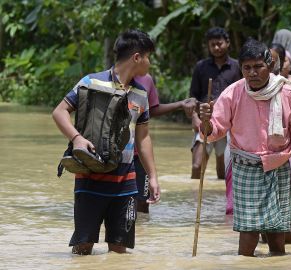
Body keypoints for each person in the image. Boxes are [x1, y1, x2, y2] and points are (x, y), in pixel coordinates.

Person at [198, 39, 291, 256]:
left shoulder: (286, 93)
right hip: (246, 168)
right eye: (247, 68)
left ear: (269, 65)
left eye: (258, 66)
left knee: (278, 234)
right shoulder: (233, 93)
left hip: (279, 166)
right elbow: (214, 131)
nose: (252, 73)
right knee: (248, 233)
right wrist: (204, 121)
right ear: (241, 69)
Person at [51, 29, 160, 255]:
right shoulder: (91, 82)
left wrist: (153, 177)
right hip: (91, 179)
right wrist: (77, 138)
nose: (150, 63)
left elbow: (144, 137)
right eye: (148, 57)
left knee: (119, 251)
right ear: (137, 58)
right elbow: (59, 112)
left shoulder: (141, 94)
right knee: (83, 248)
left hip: (127, 183)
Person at [134, 73, 196, 213]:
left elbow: (152, 109)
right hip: (118, 153)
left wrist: (180, 104)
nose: (148, 61)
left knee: (143, 202)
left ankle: (143, 233)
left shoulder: (147, 79)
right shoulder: (111, 78)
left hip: (139, 154)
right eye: (147, 57)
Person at [189, 27, 242, 179]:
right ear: (209, 46)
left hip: (228, 122)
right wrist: (195, 118)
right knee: (196, 167)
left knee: (222, 172)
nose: (217, 48)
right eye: (213, 45)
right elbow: (193, 96)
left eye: (219, 43)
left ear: (227, 43)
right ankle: (193, 200)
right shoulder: (201, 67)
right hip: (205, 121)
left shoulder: (237, 67)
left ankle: (218, 202)